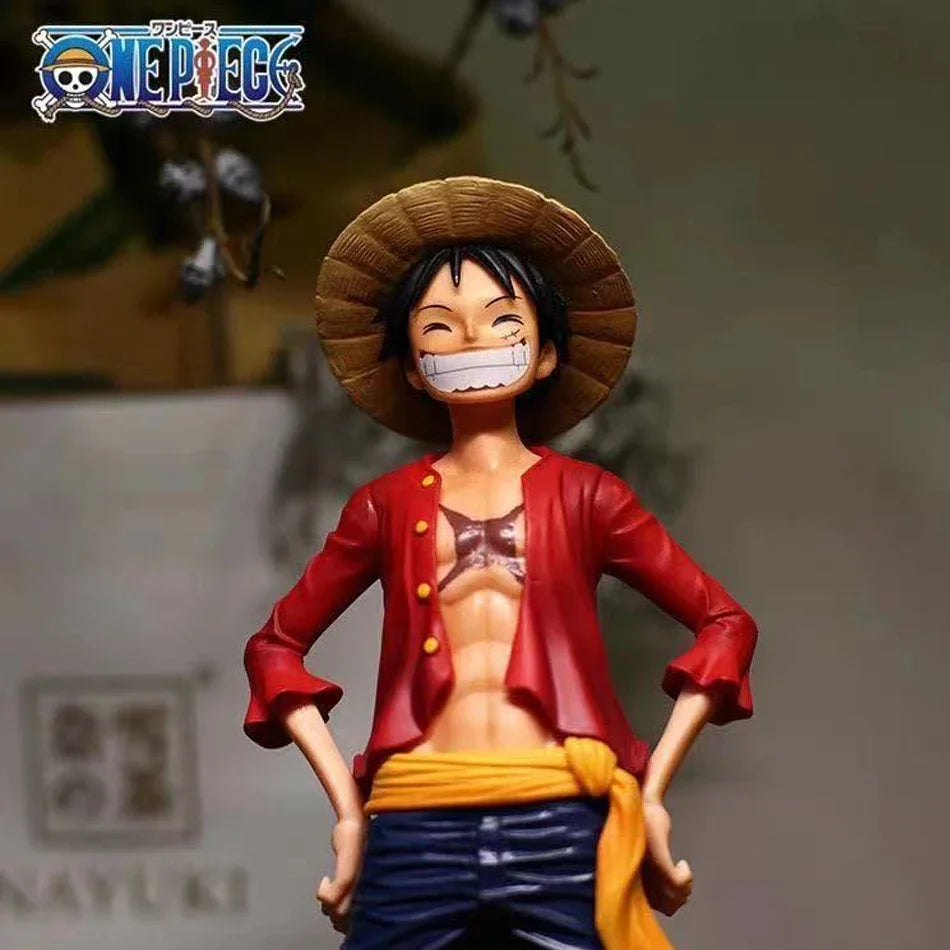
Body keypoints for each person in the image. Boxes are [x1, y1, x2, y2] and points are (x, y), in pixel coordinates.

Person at [243, 177, 758, 949]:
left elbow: (724, 623)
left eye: (503, 321)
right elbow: (275, 648)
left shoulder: (590, 497)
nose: (473, 343)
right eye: (439, 327)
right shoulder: (384, 506)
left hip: (563, 814)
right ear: (412, 366)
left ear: (545, 353)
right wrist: (348, 812)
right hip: (415, 815)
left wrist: (651, 792)